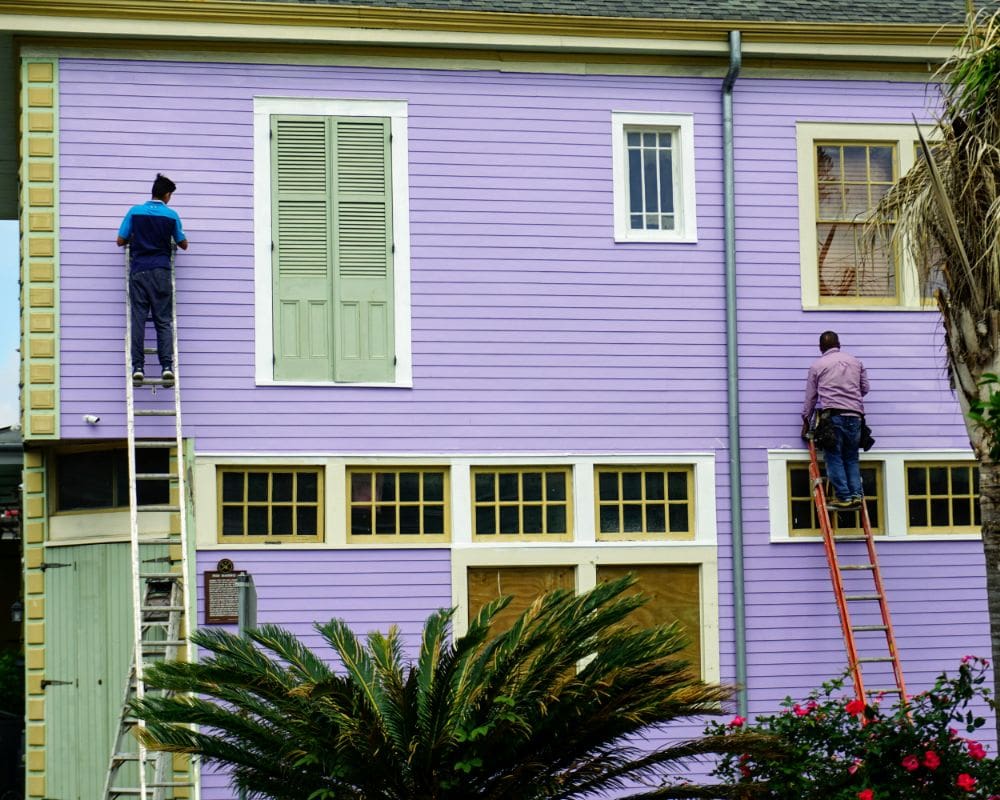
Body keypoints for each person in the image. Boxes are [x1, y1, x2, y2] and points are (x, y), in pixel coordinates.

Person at [116, 173, 188, 386]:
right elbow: (183, 243)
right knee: (163, 321)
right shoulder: (171, 215)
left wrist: (137, 238)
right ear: (166, 195)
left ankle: (138, 367)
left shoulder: (134, 212)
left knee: (138, 320)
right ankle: (167, 366)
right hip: (161, 272)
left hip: (139, 271)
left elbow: (120, 240)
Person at [801, 330, 869, 509]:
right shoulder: (856, 362)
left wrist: (806, 420)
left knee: (834, 457)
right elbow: (865, 388)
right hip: (855, 417)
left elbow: (811, 397)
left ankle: (844, 496)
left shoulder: (818, 365)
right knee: (851, 458)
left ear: (821, 347)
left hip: (833, 417)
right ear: (839, 344)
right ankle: (856, 495)